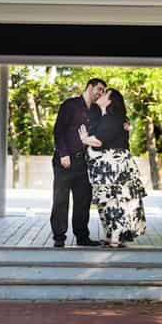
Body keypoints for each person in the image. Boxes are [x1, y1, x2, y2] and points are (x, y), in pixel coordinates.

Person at [79, 88, 147, 248]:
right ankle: (111, 236)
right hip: (105, 167)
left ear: (110, 101)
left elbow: (98, 141)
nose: (100, 94)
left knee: (115, 201)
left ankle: (115, 237)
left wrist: (84, 139)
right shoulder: (102, 116)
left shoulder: (113, 118)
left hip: (114, 167)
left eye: (104, 94)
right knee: (106, 201)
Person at [50, 78, 106, 247]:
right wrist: (63, 154)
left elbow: (103, 130)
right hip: (65, 161)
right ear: (89, 87)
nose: (100, 93)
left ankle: (82, 237)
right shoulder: (70, 105)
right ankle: (59, 237)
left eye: (103, 91)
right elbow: (58, 130)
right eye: (99, 89)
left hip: (85, 163)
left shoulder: (96, 110)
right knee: (61, 200)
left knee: (83, 200)